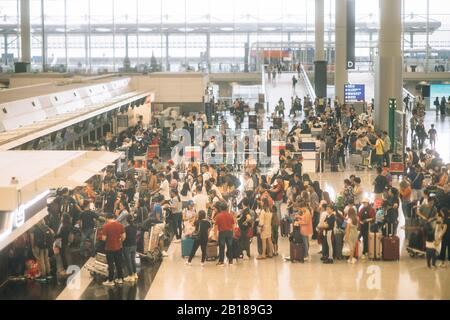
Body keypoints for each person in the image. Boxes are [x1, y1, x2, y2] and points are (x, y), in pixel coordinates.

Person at [102, 213, 126, 286]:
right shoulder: (120, 225)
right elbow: (124, 237)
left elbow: (104, 238)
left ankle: (110, 280)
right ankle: (120, 279)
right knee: (119, 264)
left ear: (106, 218)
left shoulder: (106, 226)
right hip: (118, 247)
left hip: (109, 248)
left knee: (111, 264)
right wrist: (118, 240)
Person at [214, 201, 235, 266]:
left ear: (220, 208)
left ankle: (221, 261)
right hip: (229, 232)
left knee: (222, 247)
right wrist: (233, 233)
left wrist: (215, 235)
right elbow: (233, 225)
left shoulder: (218, 216)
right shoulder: (230, 215)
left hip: (222, 233)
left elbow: (216, 227)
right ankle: (231, 261)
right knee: (230, 247)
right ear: (226, 208)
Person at [123, 215, 138, 282]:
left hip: (127, 245)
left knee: (128, 261)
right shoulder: (135, 227)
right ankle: (135, 274)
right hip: (134, 245)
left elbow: (124, 237)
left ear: (126, 220)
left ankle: (130, 275)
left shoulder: (125, 228)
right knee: (133, 260)